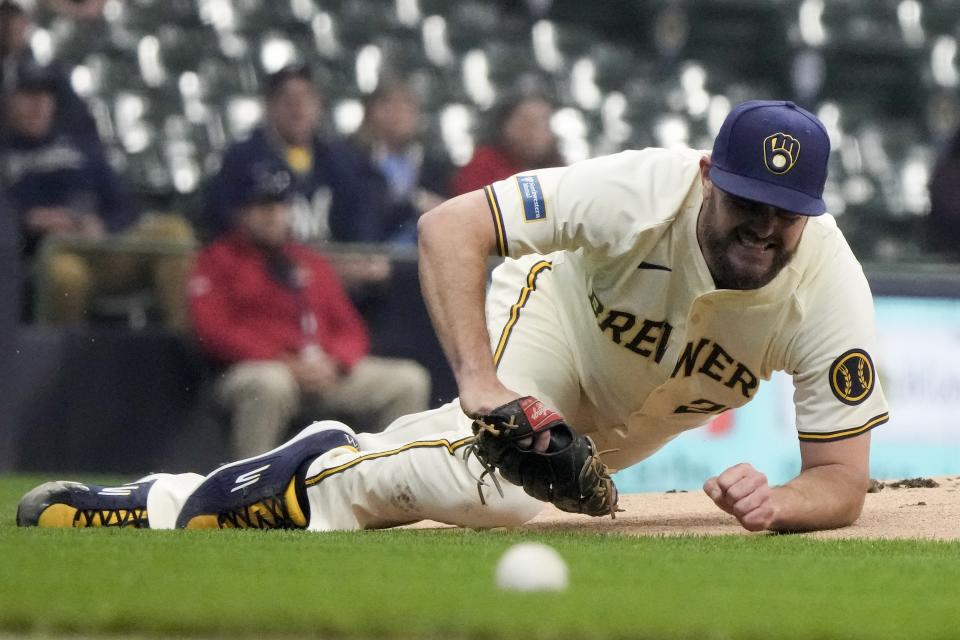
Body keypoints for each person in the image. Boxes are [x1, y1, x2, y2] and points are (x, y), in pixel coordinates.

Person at [17, 100, 889, 535]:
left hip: (632, 418)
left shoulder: (829, 291)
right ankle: (163, 506)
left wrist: (783, 502)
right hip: (554, 317)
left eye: (786, 209)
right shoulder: (642, 189)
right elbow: (450, 226)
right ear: (710, 175)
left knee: (458, 498)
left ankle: (321, 462)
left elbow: (843, 479)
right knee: (493, 482)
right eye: (748, 200)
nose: (765, 226)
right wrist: (482, 382)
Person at [189, 160, 431, 459]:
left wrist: (337, 362)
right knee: (269, 384)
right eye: (262, 207)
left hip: (322, 370)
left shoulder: (308, 260)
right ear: (240, 212)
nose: (273, 215)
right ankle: (249, 494)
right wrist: (285, 362)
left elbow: (350, 328)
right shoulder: (217, 260)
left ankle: (389, 486)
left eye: (280, 206)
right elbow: (214, 331)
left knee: (408, 380)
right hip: (254, 371)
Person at [1, 60, 193, 327]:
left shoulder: (80, 147)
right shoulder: (6, 154)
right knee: (66, 277)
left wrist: (102, 225)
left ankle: (184, 348)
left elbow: (126, 206)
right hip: (46, 255)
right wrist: (28, 222)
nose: (38, 105)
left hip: (101, 246)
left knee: (173, 232)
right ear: (8, 101)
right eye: (28, 95)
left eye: (45, 96)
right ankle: (61, 365)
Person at [202, 64, 383, 245]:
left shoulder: (342, 160)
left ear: (318, 105)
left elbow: (363, 223)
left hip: (332, 266)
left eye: (306, 98)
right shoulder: (242, 159)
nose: (298, 109)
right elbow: (224, 220)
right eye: (287, 99)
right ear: (269, 105)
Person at [347, 80, 452, 245]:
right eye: (387, 105)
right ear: (370, 112)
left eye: (405, 106)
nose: (396, 114)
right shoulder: (353, 160)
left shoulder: (433, 166)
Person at [451, 92, 563, 196]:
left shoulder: (559, 171)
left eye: (543, 123)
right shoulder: (483, 164)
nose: (534, 133)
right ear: (504, 125)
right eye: (526, 123)